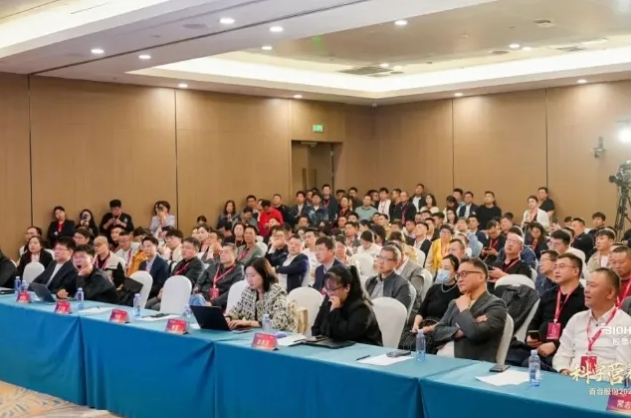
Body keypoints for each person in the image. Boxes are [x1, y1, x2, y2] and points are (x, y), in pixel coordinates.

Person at [508, 253, 586, 369]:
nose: (556, 271)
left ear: (575, 271)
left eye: (562, 266)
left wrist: (555, 344)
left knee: (529, 364)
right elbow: (535, 320)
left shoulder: (585, 298)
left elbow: (582, 333)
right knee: (508, 356)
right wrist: (530, 337)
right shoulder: (548, 294)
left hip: (563, 351)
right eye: (555, 267)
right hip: (538, 347)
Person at [554, 268, 631, 374]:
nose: (586, 290)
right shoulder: (577, 319)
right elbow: (562, 355)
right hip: (570, 379)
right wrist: (564, 369)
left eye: (592, 286)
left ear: (610, 293)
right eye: (587, 284)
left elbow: (624, 368)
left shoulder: (625, 324)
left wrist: (592, 378)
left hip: (603, 382)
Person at [430, 258, 508, 362]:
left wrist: (463, 309)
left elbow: (475, 333)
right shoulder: (455, 303)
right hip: (440, 360)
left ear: (481, 276)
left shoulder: (496, 305)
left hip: (471, 364)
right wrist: (460, 331)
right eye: (458, 275)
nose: (459, 280)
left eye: (464, 274)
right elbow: (436, 332)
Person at [312, 265, 383, 346]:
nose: (330, 293)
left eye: (333, 289)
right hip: (334, 349)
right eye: (327, 289)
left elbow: (347, 335)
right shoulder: (329, 301)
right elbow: (316, 328)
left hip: (364, 350)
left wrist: (334, 311)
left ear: (347, 288)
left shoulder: (361, 307)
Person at [226, 258, 295, 331]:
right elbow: (236, 310)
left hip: (281, 334)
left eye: (253, 275)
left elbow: (279, 323)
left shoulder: (278, 292)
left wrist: (249, 323)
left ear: (264, 274)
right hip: (256, 334)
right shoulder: (248, 291)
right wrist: (229, 318)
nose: (249, 279)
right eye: (247, 275)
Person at [411, 255, 461, 335]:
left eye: (446, 268)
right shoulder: (434, 288)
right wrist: (416, 324)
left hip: (441, 331)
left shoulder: (459, 293)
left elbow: (450, 321)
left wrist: (430, 329)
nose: (442, 271)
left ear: (456, 272)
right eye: (441, 267)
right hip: (423, 326)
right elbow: (421, 311)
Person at [193, 243, 244, 310]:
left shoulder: (238, 271)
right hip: (203, 297)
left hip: (219, 303)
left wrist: (212, 303)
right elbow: (200, 282)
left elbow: (232, 292)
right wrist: (196, 290)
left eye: (226, 252)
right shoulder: (214, 266)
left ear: (235, 255)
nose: (222, 254)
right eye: (221, 252)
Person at [364, 245, 413, 312]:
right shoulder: (370, 281)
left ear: (396, 263)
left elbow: (398, 313)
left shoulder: (402, 285)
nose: (381, 262)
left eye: (386, 259)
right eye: (380, 257)